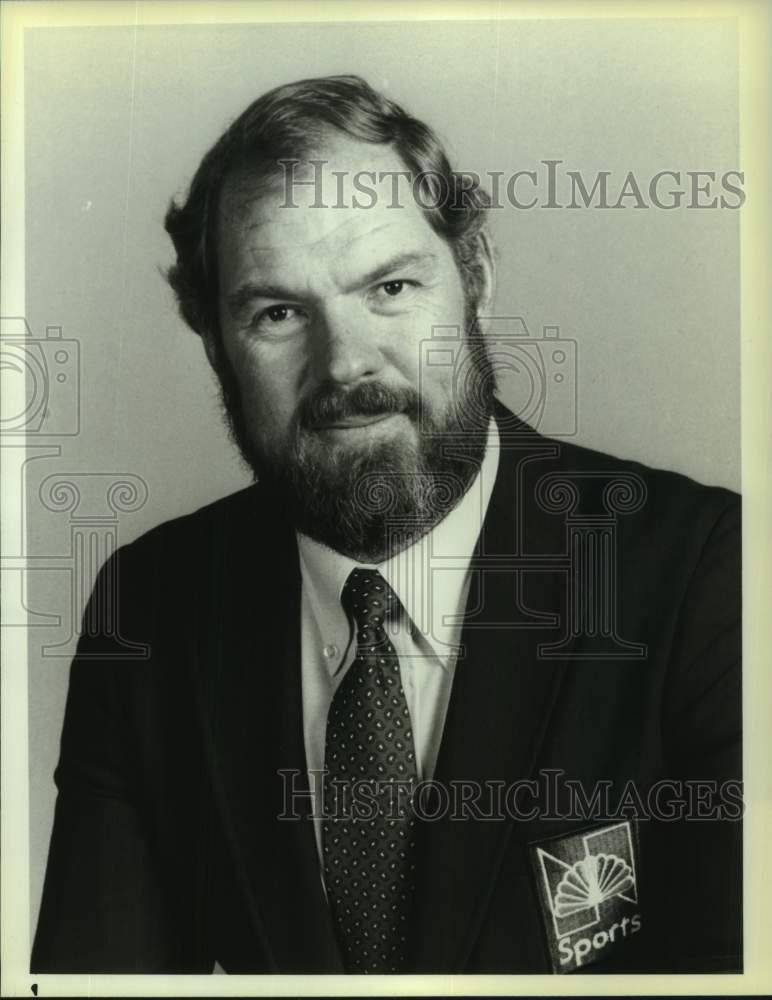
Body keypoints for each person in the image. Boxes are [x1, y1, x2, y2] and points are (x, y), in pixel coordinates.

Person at [31, 75, 741, 976]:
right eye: (279, 313)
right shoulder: (147, 608)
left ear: (474, 278)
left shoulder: (707, 575)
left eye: (392, 286)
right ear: (212, 340)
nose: (348, 363)